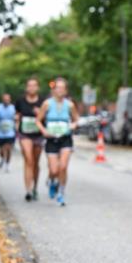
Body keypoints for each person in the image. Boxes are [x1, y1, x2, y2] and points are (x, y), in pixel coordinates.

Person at [36, 77, 79, 207]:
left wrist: (73, 125)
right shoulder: (47, 104)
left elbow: (77, 119)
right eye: (57, 88)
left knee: (63, 167)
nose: (59, 90)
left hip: (65, 139)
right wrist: (44, 131)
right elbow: (38, 120)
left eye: (62, 88)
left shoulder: (70, 105)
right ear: (53, 90)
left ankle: (61, 192)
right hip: (51, 139)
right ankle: (52, 181)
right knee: (54, 170)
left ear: (66, 91)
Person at [16, 77, 44, 201]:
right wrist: (16, 122)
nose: (32, 88)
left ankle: (35, 188)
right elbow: (17, 115)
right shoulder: (20, 101)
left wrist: (41, 113)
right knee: (29, 160)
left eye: (34, 85)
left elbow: (47, 118)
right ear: (26, 88)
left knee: (36, 163)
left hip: (38, 134)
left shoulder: (43, 102)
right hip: (25, 133)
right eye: (29, 85)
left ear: (38, 87)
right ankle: (28, 190)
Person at [0, 93, 17, 172]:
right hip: (0, 132)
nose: (6, 101)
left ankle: (7, 164)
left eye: (7, 99)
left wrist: (17, 125)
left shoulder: (13, 108)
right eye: (4, 99)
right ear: (2, 100)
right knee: (2, 150)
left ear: (10, 100)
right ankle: (3, 158)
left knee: (8, 148)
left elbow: (17, 118)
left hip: (10, 132)